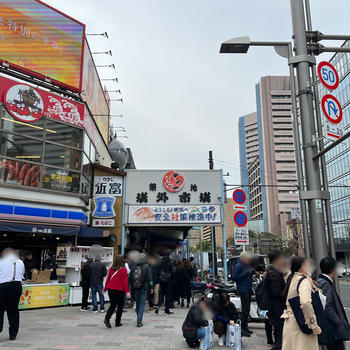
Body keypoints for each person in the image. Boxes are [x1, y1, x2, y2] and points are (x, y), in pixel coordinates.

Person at [281, 256, 322, 350]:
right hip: (301, 326)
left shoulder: (291, 279)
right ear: (302, 267)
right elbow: (305, 303)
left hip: (290, 323)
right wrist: (313, 325)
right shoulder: (304, 281)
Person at [318, 257, 350, 350]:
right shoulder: (325, 283)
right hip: (332, 328)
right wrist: (338, 322)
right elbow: (327, 306)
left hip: (331, 327)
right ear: (333, 269)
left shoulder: (323, 281)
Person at [0, 248, 24, 340]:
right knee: (13, 310)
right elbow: (22, 274)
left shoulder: (1, 261)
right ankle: (13, 333)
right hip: (17, 286)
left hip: (3, 286)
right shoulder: (20, 262)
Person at [265, 251, 287, 350]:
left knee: (279, 334)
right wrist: (287, 292)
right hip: (277, 308)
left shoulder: (273, 272)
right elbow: (277, 293)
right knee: (280, 334)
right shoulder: (274, 274)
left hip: (275, 308)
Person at [103, 255, 130, 328]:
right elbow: (125, 282)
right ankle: (117, 322)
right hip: (119, 290)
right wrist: (127, 291)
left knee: (112, 305)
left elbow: (108, 279)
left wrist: (105, 289)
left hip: (111, 289)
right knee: (120, 306)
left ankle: (107, 318)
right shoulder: (123, 270)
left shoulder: (111, 269)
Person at [231, 251, 253, 337]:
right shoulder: (239, 265)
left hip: (248, 289)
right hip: (243, 289)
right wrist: (244, 273)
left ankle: (245, 326)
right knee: (245, 309)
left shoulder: (246, 266)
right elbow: (234, 277)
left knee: (247, 309)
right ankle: (243, 328)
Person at [129, 252, 153, 327]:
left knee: (138, 304)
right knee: (142, 304)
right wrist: (151, 287)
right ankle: (139, 321)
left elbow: (130, 277)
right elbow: (150, 278)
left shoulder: (134, 266)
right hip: (144, 287)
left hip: (135, 287)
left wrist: (130, 286)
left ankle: (138, 317)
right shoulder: (147, 266)